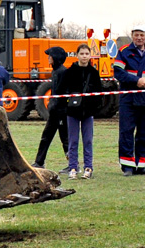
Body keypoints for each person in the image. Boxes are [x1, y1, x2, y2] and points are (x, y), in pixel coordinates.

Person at [112, 26, 145, 176]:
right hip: (128, 99)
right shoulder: (124, 52)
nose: (139, 38)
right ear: (132, 36)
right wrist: (137, 81)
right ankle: (128, 166)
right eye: (136, 35)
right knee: (126, 132)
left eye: (142, 35)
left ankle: (142, 165)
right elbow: (118, 72)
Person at [59, 44, 101, 179]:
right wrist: (67, 104)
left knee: (88, 140)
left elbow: (99, 93)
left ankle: (88, 167)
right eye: (81, 53)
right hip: (72, 112)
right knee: (73, 141)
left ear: (90, 55)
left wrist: (94, 107)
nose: (84, 56)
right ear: (77, 55)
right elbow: (60, 91)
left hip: (88, 112)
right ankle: (73, 167)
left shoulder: (94, 73)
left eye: (86, 54)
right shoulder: (69, 72)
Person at [33, 46, 70, 170]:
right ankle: (39, 162)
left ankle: (72, 164)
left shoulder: (62, 72)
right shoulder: (55, 71)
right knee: (47, 136)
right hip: (55, 111)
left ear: (56, 58)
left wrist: (54, 105)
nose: (48, 58)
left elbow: (62, 92)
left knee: (65, 138)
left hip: (61, 111)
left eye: (50, 56)